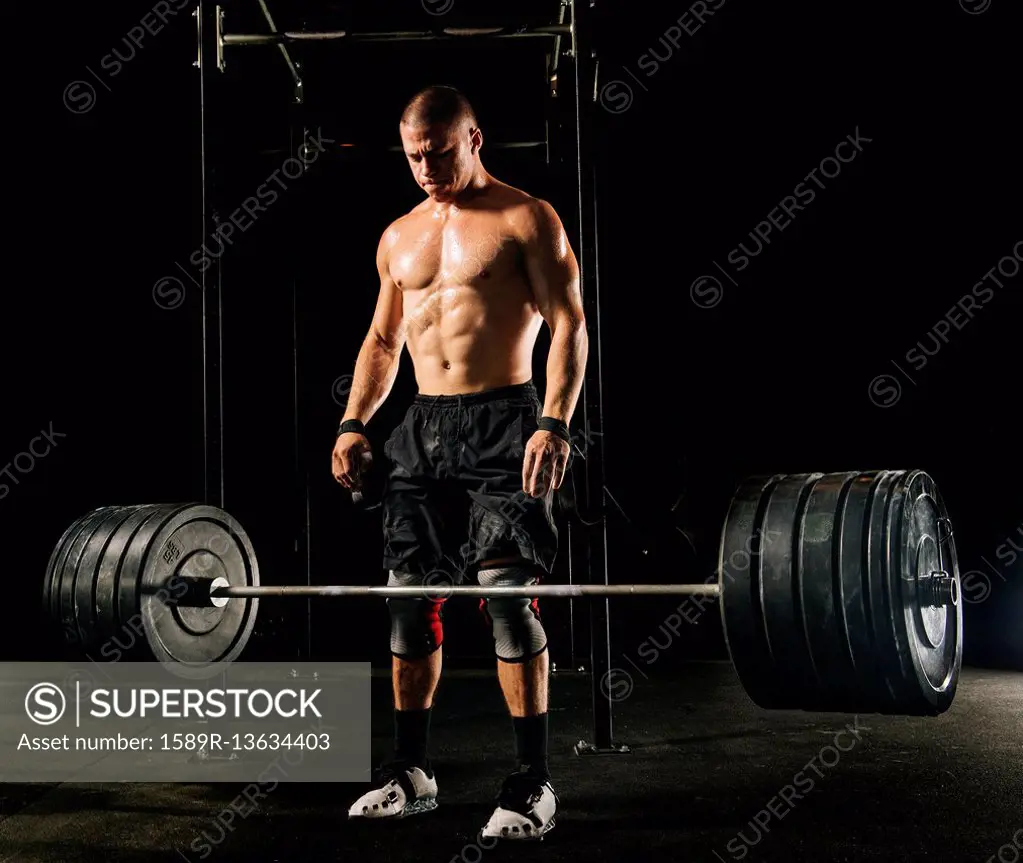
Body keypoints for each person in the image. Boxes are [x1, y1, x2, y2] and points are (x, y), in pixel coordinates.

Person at [330, 85, 587, 841]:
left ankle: (533, 781)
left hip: (505, 417)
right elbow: (382, 343)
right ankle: (412, 770)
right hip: (423, 424)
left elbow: (570, 323)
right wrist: (352, 422)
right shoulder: (398, 235)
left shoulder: (524, 216)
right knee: (407, 597)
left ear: (474, 137)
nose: (425, 167)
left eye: (439, 152)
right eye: (413, 155)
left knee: (505, 595)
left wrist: (554, 422)